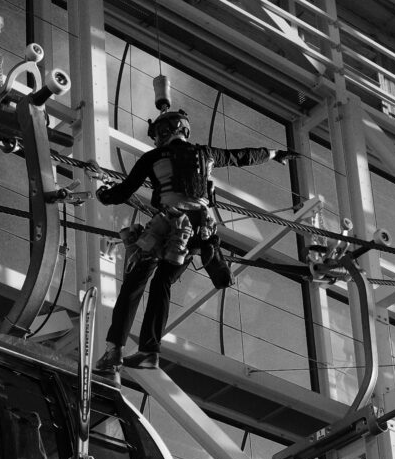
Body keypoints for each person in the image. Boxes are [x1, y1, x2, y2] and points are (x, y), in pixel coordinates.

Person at [93, 104, 296, 376]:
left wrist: (102, 193)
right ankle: (148, 351)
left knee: (135, 281)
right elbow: (243, 156)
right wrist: (275, 154)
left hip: (168, 224)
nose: (156, 138)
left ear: (168, 131)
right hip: (200, 230)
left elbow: (123, 192)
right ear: (184, 129)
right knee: (163, 282)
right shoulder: (206, 154)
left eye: (158, 132)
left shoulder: (153, 157)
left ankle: (114, 350)